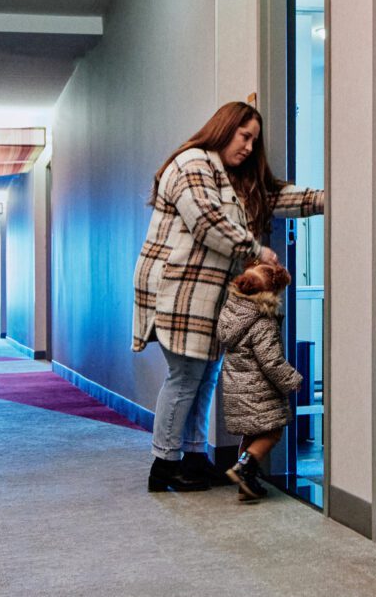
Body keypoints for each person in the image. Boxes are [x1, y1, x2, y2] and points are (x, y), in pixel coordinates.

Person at [134, 100, 325, 493]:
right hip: (181, 290)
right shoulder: (192, 163)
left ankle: (192, 456)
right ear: (224, 129)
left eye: (255, 140)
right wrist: (257, 251)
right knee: (185, 376)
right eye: (244, 136)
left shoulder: (234, 181)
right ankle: (163, 464)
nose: (250, 147)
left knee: (205, 377)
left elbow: (282, 197)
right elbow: (207, 222)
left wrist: (330, 198)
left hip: (209, 297)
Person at [214, 260, 305, 502]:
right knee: (273, 431)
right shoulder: (263, 322)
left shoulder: (231, 314)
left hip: (238, 387)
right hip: (259, 390)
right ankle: (244, 469)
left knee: (251, 434)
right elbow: (271, 361)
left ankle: (246, 485)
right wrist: (292, 380)